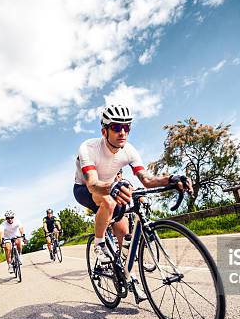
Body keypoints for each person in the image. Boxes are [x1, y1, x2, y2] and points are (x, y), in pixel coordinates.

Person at [73, 104, 193, 303]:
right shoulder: (89, 147)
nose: (122, 132)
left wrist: (170, 179)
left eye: (127, 128)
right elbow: (93, 184)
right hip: (86, 189)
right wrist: (112, 186)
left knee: (124, 232)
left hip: (113, 188)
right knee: (109, 202)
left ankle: (129, 274)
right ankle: (99, 243)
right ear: (104, 131)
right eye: (116, 127)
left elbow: (146, 179)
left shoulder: (128, 150)